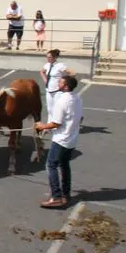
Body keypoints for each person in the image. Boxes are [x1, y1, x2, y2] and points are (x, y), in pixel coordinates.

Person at [34, 75, 83, 208]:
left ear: (65, 86)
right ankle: (66, 194)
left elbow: (56, 123)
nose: (58, 83)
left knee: (51, 165)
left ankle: (56, 197)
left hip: (61, 140)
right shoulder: (77, 98)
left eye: (60, 82)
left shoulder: (61, 101)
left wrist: (41, 126)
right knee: (65, 164)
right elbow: (80, 118)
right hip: (72, 139)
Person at [40, 49, 73, 122]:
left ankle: (58, 122)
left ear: (55, 58)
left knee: (57, 108)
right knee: (49, 108)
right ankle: (50, 123)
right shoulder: (47, 65)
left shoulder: (60, 66)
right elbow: (42, 72)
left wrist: (65, 81)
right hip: (49, 90)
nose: (48, 59)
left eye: (50, 57)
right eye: (47, 57)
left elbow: (72, 73)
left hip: (57, 91)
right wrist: (45, 80)